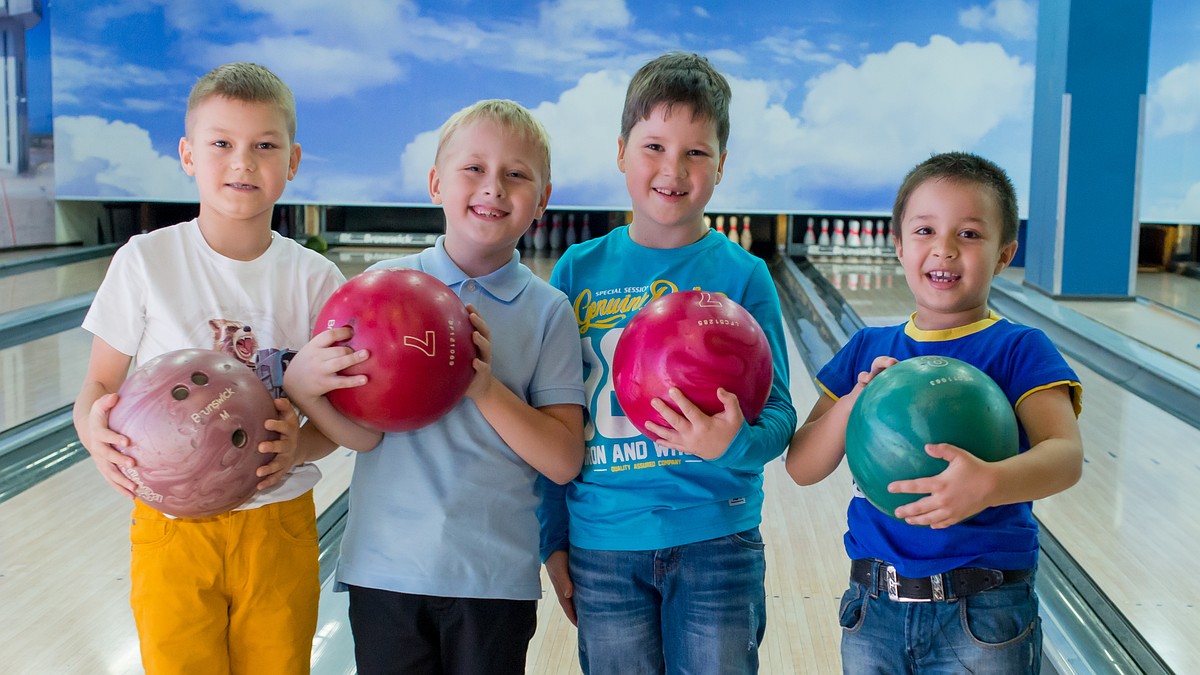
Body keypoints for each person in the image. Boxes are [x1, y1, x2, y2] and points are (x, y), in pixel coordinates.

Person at [283, 98, 586, 675]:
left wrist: (483, 387)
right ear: (435, 183)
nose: (493, 187)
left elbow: (564, 459)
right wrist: (304, 392)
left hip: (494, 579)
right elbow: (361, 436)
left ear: (542, 201)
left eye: (516, 174)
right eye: (473, 168)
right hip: (385, 569)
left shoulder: (549, 313)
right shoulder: (378, 294)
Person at [73, 62, 352, 674]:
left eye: (264, 146)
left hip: (277, 523)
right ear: (188, 155)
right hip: (171, 529)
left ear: (293, 161)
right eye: (222, 143)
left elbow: (340, 423)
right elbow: (97, 385)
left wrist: (297, 449)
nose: (242, 162)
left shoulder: (315, 281)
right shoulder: (146, 261)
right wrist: (94, 438)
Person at [537, 52, 797, 674]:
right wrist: (552, 539)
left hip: (718, 538)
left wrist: (732, 443)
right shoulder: (577, 270)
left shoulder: (743, 274)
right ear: (621, 151)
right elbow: (554, 417)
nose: (672, 170)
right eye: (653, 146)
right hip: (603, 541)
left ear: (721, 166)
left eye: (696, 153)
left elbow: (782, 417)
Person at [786, 151, 1084, 674]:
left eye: (969, 234)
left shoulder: (1018, 349)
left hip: (985, 608)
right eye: (924, 230)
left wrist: (990, 482)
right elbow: (802, 466)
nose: (943, 248)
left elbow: (1065, 457)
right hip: (873, 605)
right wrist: (854, 403)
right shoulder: (865, 350)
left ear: (1004, 253)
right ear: (898, 246)